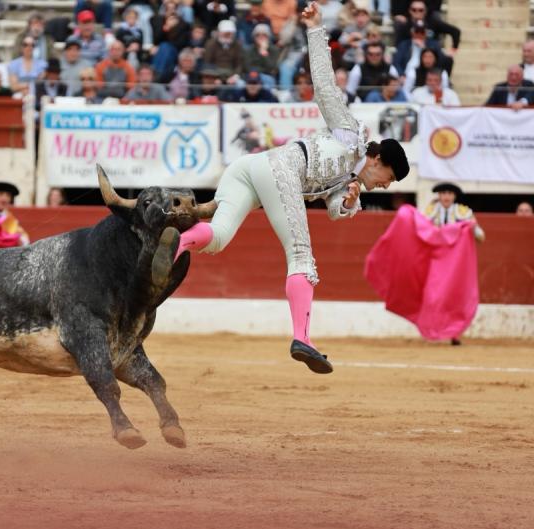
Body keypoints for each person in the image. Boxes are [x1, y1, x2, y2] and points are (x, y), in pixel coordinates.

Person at [168, 2, 410, 374]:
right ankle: (303, 337)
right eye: (386, 179)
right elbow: (325, 84)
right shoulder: (350, 134)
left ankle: (176, 243)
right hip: (281, 168)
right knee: (301, 257)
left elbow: (332, 210)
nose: (381, 187)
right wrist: (315, 29)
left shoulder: (349, 182)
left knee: (216, 238)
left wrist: (346, 203)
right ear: (379, 161)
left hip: (251, 168)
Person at [422, 181, 485, 345]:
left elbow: (481, 237)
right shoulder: (430, 211)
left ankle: (455, 333)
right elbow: (422, 232)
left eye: (449, 193)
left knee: (455, 296)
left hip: (456, 264)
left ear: (454, 196)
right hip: (436, 261)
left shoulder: (464, 212)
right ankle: (433, 330)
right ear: (439, 196)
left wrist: (472, 227)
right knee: (434, 295)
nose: (446, 197)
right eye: (443, 193)